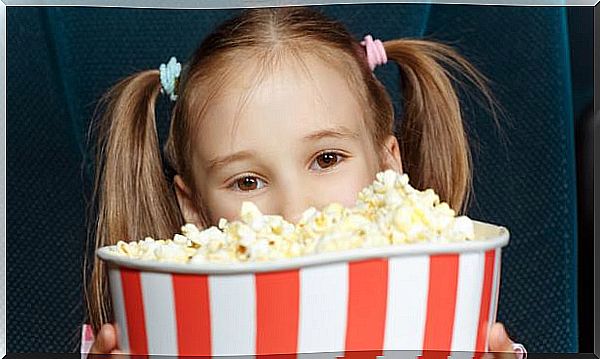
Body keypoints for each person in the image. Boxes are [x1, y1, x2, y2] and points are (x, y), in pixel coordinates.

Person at [84, 6, 526, 358]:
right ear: (194, 207)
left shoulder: (440, 306)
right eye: (247, 182)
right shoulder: (159, 325)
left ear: (389, 165)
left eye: (326, 158)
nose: (295, 210)